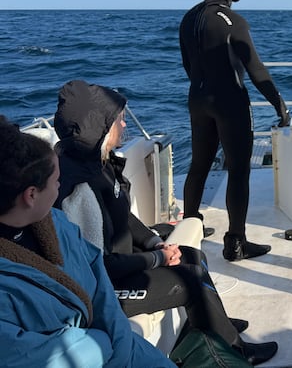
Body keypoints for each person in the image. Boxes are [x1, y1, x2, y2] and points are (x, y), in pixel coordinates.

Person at [52, 80, 279, 365]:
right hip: (102, 290)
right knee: (191, 279)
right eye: (120, 121)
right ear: (101, 126)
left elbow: (123, 217)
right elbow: (100, 265)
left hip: (123, 265)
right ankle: (237, 350)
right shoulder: (79, 189)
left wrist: (153, 242)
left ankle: (218, 323)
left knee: (193, 254)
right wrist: (158, 257)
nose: (125, 127)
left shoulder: (99, 163)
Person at [0, 115, 175, 367]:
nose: (60, 186)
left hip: (120, 345)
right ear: (31, 195)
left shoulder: (57, 223)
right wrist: (104, 345)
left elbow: (98, 279)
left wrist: (118, 340)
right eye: (56, 181)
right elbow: (28, 357)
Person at [179, 0, 289, 261]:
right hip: (230, 104)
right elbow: (257, 70)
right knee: (238, 171)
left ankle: (191, 230)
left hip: (197, 100)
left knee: (198, 166)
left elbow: (188, 65)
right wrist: (279, 104)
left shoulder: (189, 18)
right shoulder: (234, 22)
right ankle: (236, 242)